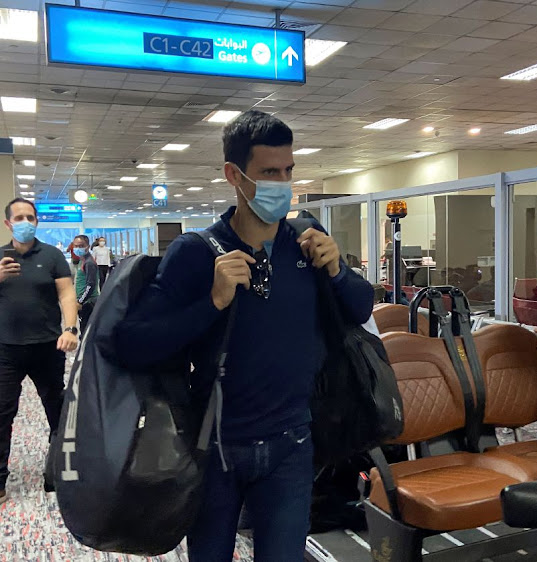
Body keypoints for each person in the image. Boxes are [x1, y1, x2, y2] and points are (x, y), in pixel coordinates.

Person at [115, 110, 374, 561]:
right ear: (234, 175)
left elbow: (361, 309)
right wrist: (211, 303)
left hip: (292, 442)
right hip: (216, 446)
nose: (282, 182)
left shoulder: (306, 241)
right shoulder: (196, 253)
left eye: (288, 170)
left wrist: (337, 271)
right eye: (269, 172)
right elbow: (132, 343)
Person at [0, 198, 79, 505]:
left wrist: (70, 328)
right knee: (2, 412)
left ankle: (59, 470)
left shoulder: (52, 255)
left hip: (48, 346)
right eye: (18, 217)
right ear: (8, 223)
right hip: (6, 349)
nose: (25, 222)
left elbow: (67, 293)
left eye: (30, 217)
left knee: (56, 410)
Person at [72, 235, 99, 335]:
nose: (78, 248)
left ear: (87, 246)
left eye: (81, 246)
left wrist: (80, 301)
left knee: (86, 332)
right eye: (76, 246)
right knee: (83, 329)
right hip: (84, 301)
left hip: (88, 302)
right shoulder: (82, 260)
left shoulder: (89, 263)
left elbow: (90, 285)